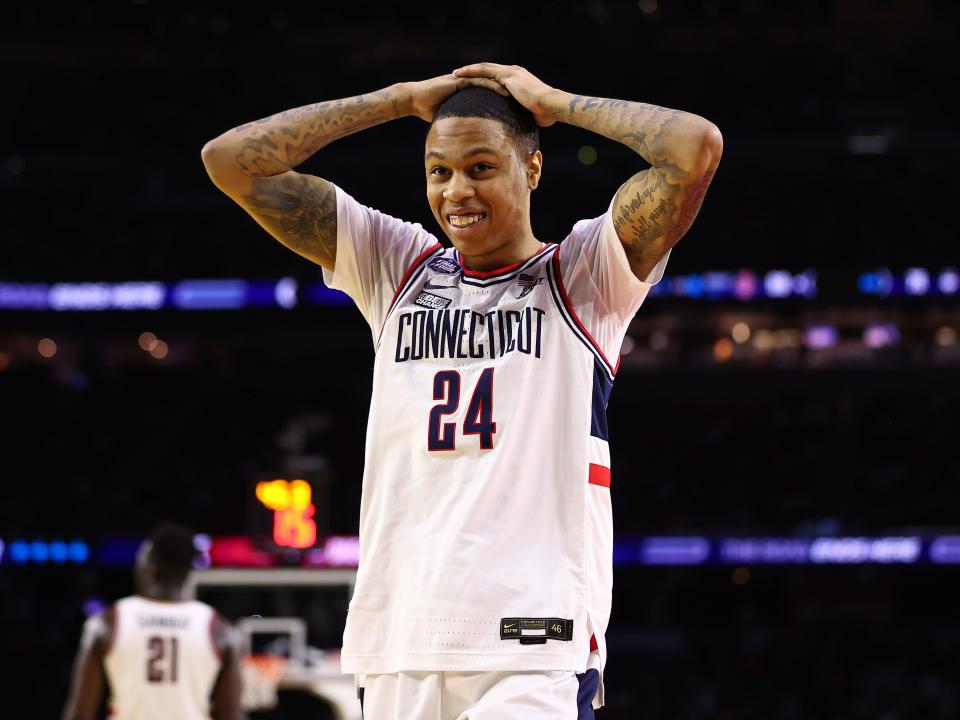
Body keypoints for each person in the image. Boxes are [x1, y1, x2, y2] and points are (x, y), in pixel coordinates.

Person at [202, 62, 721, 719]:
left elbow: (693, 149)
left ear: (532, 169)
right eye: (438, 171)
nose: (456, 191)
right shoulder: (394, 265)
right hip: (400, 639)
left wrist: (555, 102)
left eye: (481, 167)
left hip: (533, 642)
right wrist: (397, 100)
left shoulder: (583, 275)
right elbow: (229, 162)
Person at [61, 522, 245, 720]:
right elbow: (231, 714)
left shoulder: (107, 623)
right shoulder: (221, 630)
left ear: (148, 565)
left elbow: (80, 714)